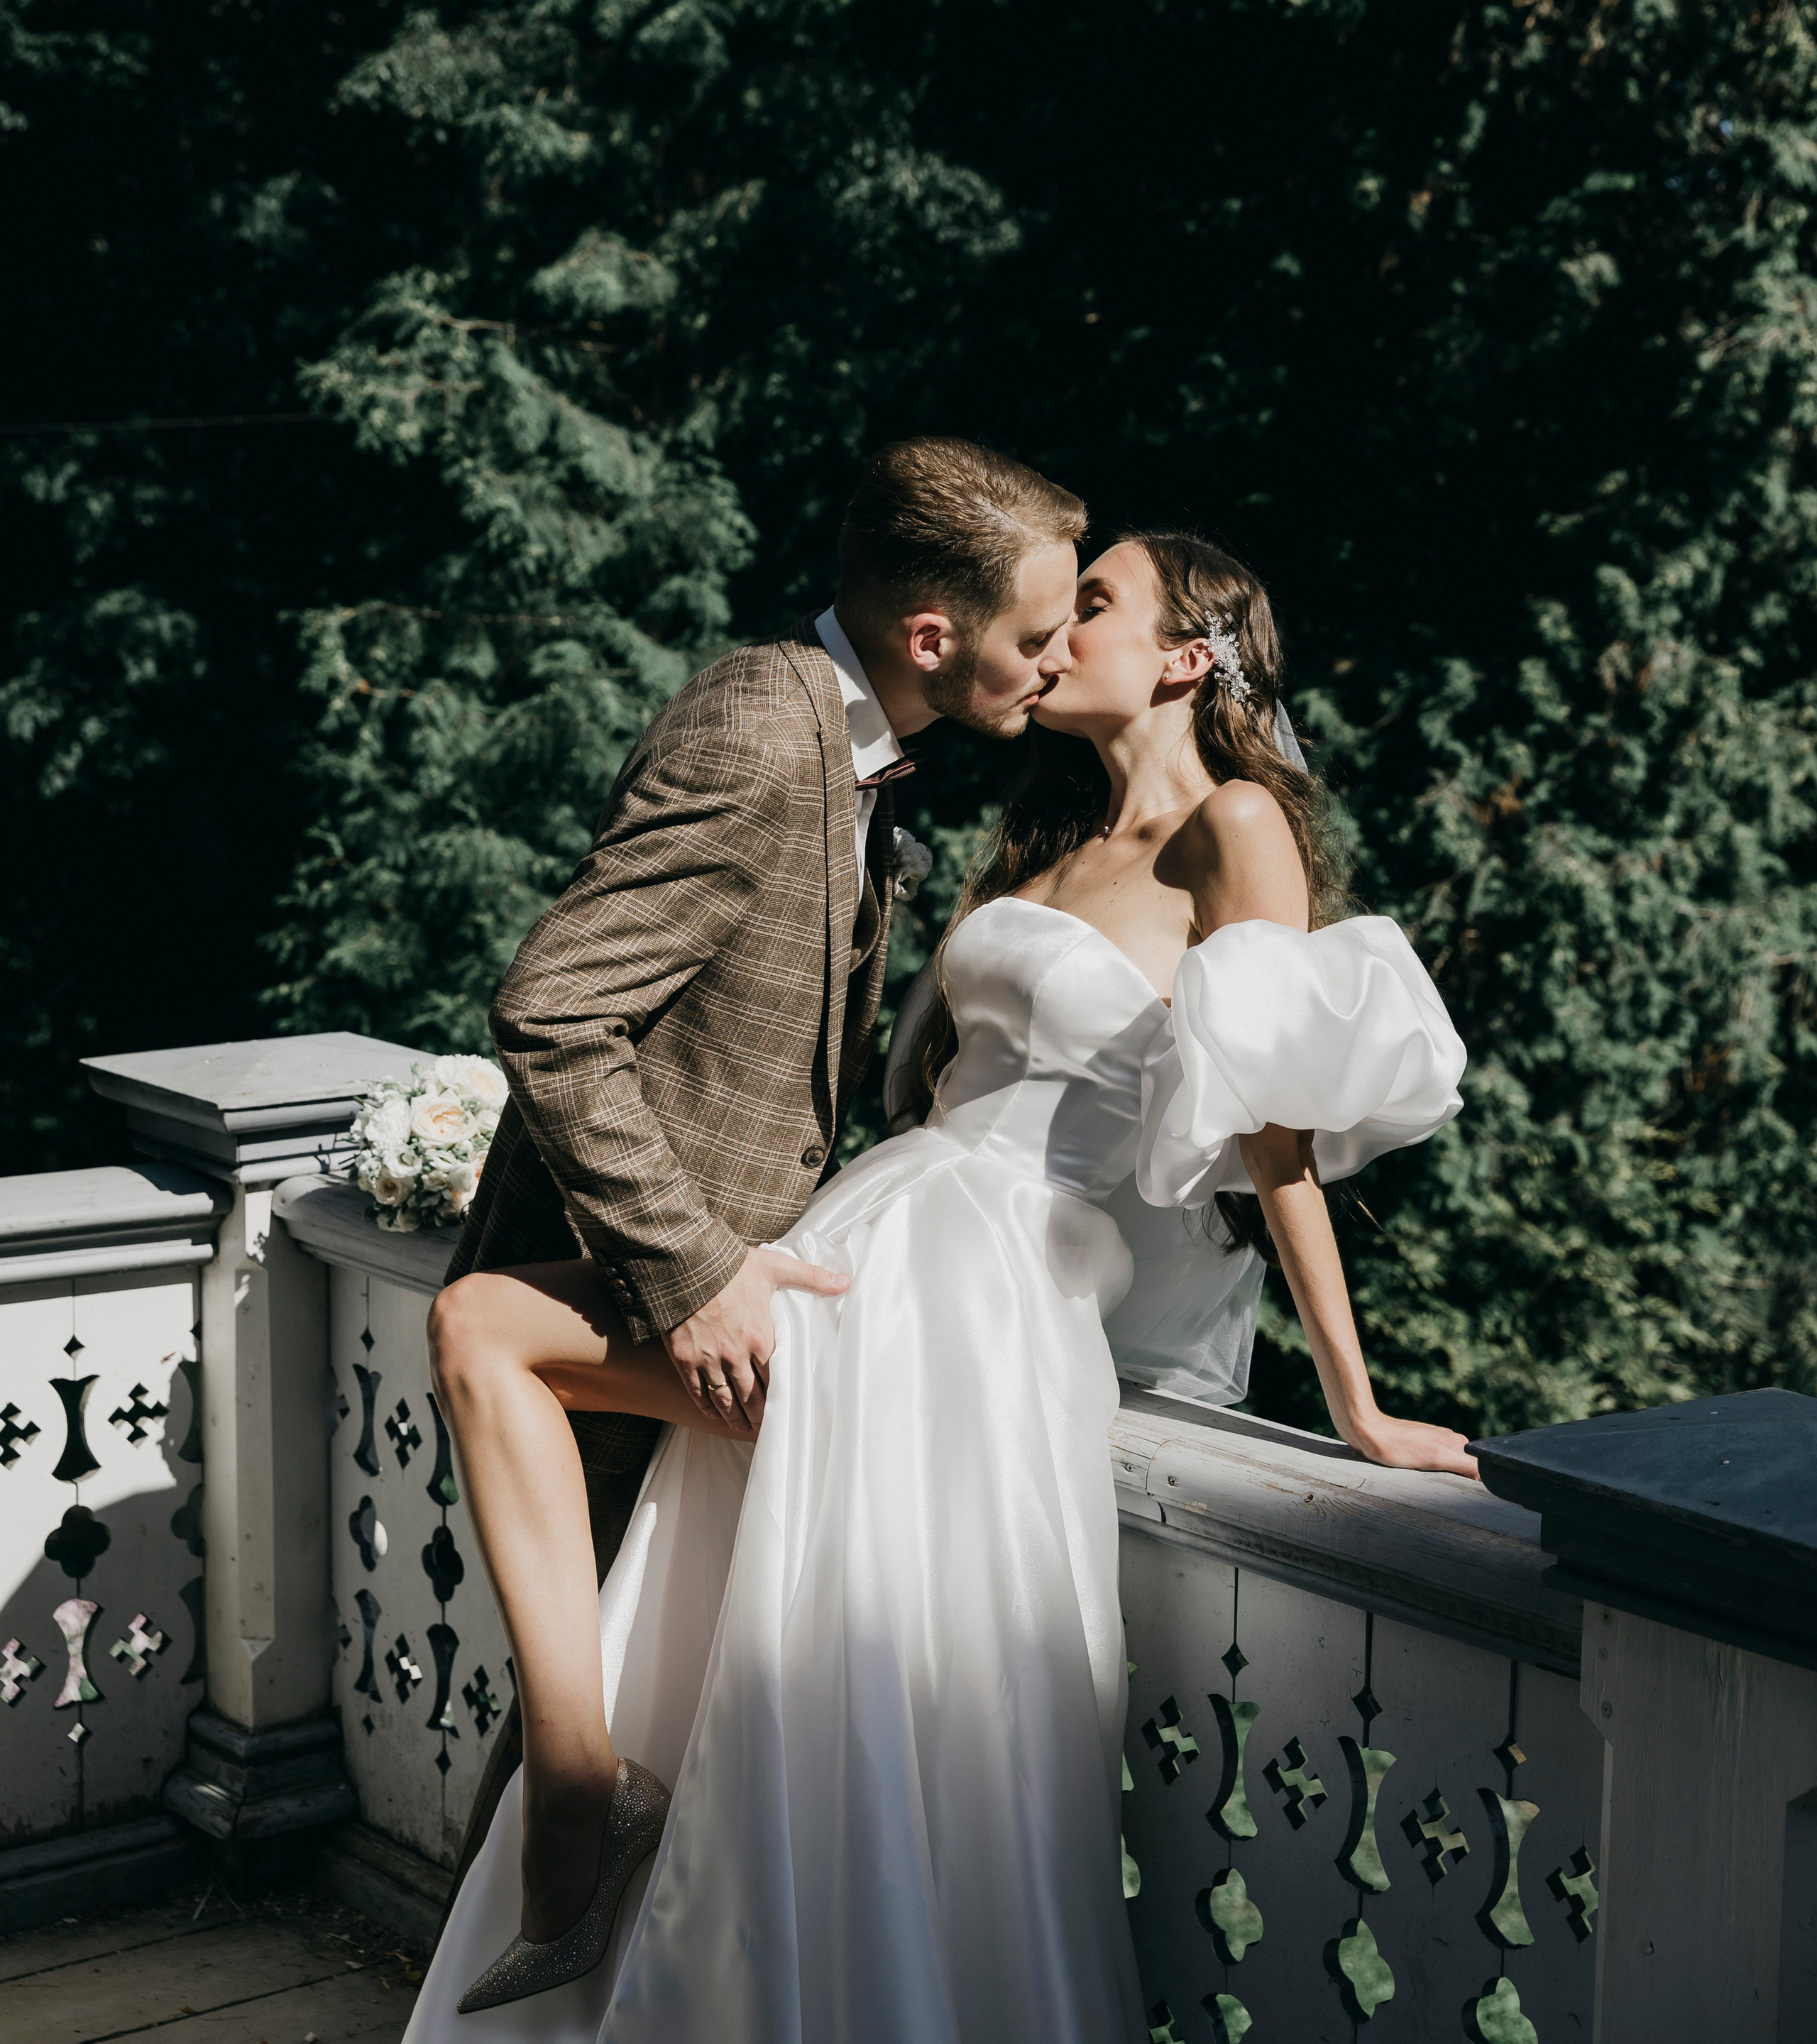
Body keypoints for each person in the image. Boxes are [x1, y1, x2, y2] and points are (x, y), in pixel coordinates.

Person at [412, 524, 1472, 2044]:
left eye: (1090, 608)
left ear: (1184, 657)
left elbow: (1276, 1136)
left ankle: (586, 1809)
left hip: (975, 1301)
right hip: (863, 1246)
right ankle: (583, 1785)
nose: (1053, 640)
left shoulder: (1233, 826)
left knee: (509, 1346)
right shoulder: (1039, 848)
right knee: (516, 1360)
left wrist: (1357, 1407)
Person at [424, 436, 1085, 1989]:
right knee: (559, 1768)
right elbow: (553, 1009)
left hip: (746, 1310)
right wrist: (694, 1271)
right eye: (1034, 635)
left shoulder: (863, 762)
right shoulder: (760, 724)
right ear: (935, 636)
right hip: (630, 1300)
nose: (1050, 665)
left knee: (632, 1747)